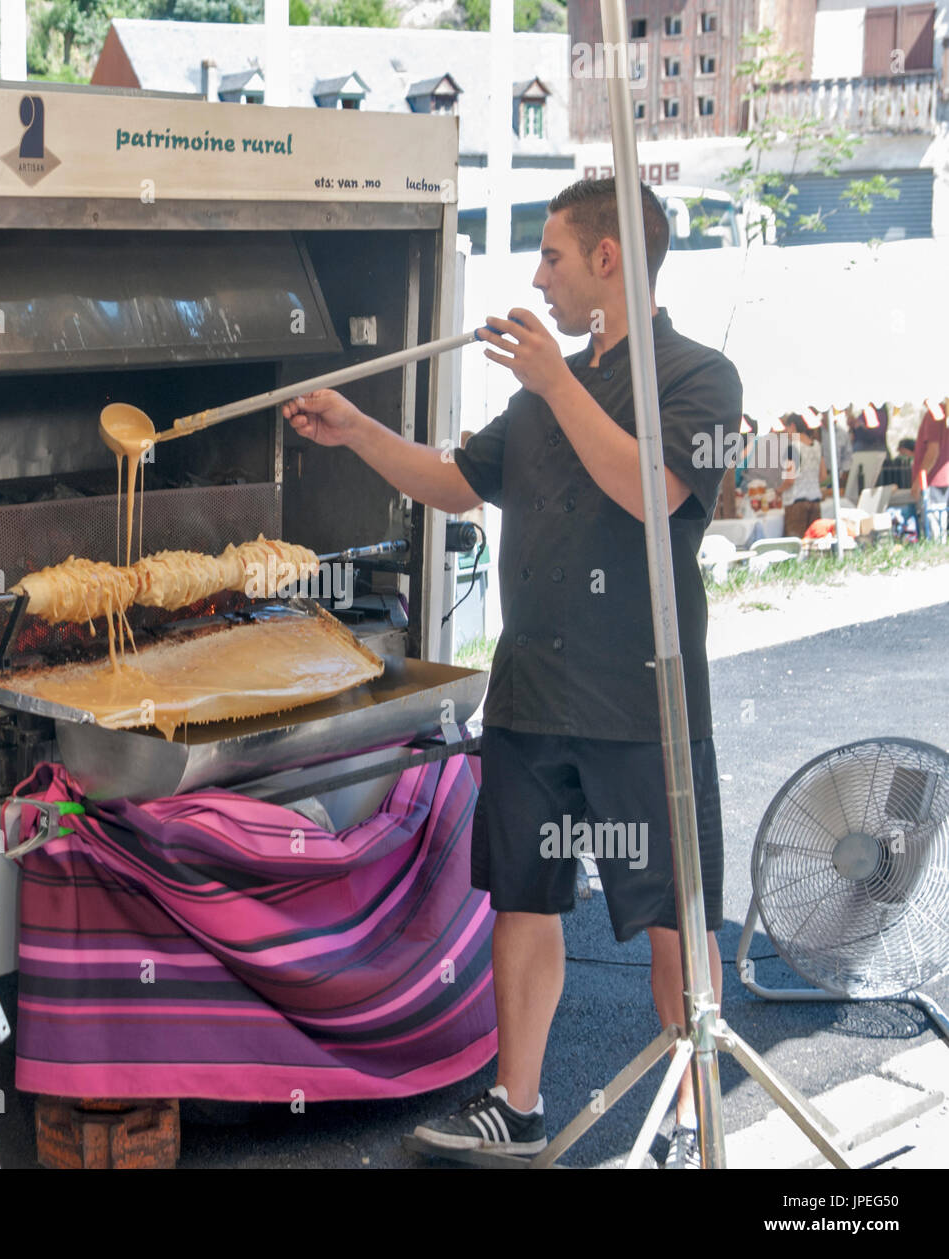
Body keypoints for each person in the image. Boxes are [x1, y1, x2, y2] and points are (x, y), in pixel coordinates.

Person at [282, 178, 740, 1170]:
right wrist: (358, 429)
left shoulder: (702, 379)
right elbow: (456, 482)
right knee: (522, 901)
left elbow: (653, 491)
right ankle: (517, 1104)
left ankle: (694, 1116)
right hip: (532, 693)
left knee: (673, 916)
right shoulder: (541, 396)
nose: (539, 276)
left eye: (553, 256)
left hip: (642, 702)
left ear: (608, 261)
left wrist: (556, 383)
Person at [781, 413, 825, 537]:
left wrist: (778, 491)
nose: (786, 432)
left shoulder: (792, 448)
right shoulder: (817, 446)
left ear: (793, 426)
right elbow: (823, 475)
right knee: (814, 542)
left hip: (797, 504)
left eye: (787, 428)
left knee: (797, 544)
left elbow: (790, 480)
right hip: (815, 502)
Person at [913, 400, 949, 541]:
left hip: (933, 480)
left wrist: (918, 481)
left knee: (935, 532)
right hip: (943, 478)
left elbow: (933, 452)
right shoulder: (943, 412)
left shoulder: (933, 415)